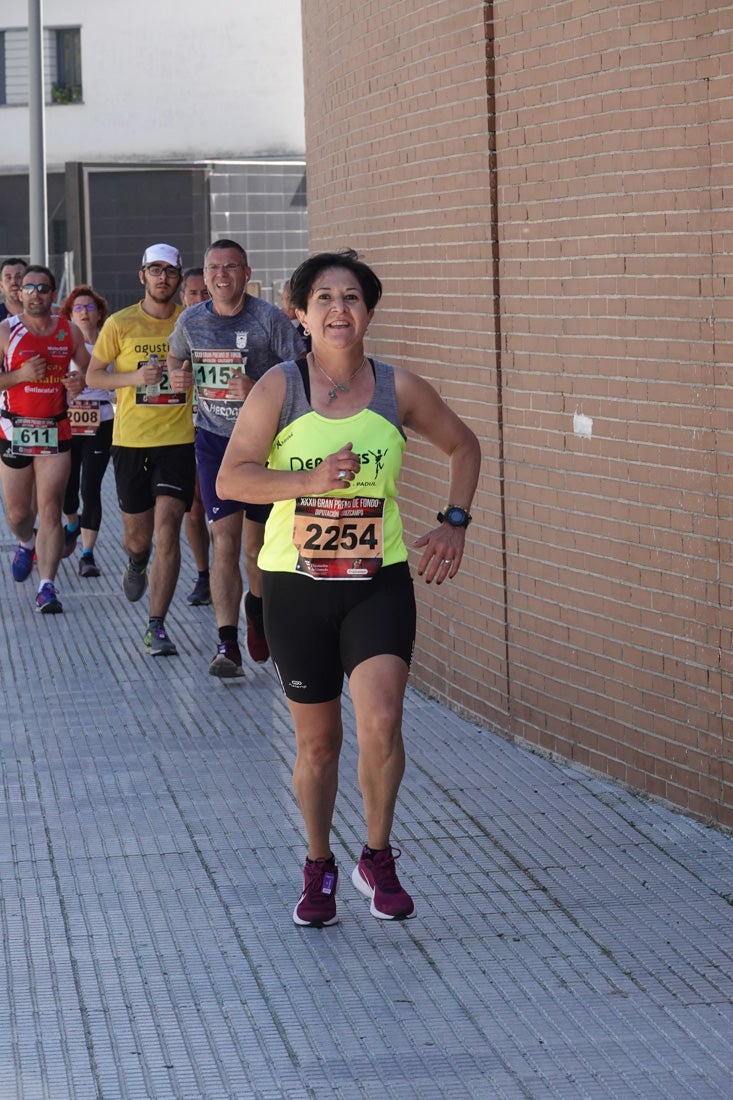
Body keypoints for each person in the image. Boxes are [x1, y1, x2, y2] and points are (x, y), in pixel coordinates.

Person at [216, 250, 481, 926]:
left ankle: (377, 854)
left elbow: (464, 446)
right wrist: (307, 482)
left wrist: (453, 522)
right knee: (318, 744)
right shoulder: (280, 387)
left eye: (353, 297)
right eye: (325, 299)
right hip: (295, 585)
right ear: (299, 314)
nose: (340, 309)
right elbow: (232, 480)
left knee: (384, 723)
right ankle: (318, 865)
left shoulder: (399, 389)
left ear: (368, 311)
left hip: (378, 579)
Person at [167, 239, 305, 678]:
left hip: (265, 446)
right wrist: (178, 375)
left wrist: (262, 390)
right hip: (213, 443)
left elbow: (305, 370)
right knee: (223, 541)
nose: (221, 275)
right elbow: (175, 357)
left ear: (247, 273)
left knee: (256, 549)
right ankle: (227, 643)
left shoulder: (268, 320)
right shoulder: (190, 321)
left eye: (231, 267)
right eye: (213, 268)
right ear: (204, 277)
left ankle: (257, 612)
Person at [85, 244, 194, 657]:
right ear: (141, 276)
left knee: (169, 529)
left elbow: (212, 373)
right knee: (139, 537)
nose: (162, 277)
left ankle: (157, 625)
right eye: (154, 270)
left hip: (178, 440)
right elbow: (96, 374)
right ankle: (135, 562)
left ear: (179, 277)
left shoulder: (191, 322)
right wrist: (133, 376)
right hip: (130, 441)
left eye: (169, 270)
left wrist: (191, 382)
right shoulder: (120, 323)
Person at [0, 264, 89, 612]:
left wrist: (79, 382)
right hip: (14, 428)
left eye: (42, 287)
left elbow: (87, 369)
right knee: (18, 514)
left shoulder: (69, 332)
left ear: (54, 294)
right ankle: (25, 542)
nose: (35, 293)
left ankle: (47, 586)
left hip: (55, 428)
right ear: (19, 293)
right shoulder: (7, 331)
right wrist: (20, 374)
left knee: (51, 508)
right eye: (29, 287)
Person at [58, 285, 114, 577]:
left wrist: (114, 389)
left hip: (101, 423)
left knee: (90, 488)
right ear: (68, 314)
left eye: (89, 307)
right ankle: (71, 524)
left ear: (99, 313)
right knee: (66, 490)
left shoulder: (110, 344)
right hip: (66, 423)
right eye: (77, 308)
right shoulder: (62, 345)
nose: (84, 312)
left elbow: (119, 385)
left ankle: (87, 554)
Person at [179, 267, 212, 607]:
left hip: (221, 430)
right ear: (182, 297)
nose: (200, 299)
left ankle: (228, 571)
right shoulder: (180, 330)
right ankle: (204, 575)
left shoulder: (228, 327)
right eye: (193, 293)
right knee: (194, 508)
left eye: (205, 292)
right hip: (181, 431)